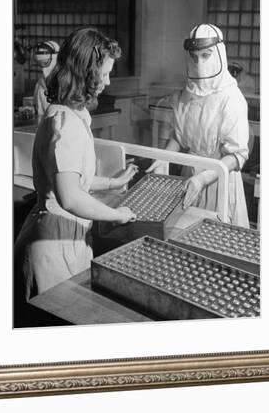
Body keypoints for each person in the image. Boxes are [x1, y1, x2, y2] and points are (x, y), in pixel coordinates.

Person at [15, 28, 138, 300]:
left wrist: (111, 182)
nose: (107, 82)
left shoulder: (70, 113)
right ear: (85, 73)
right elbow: (70, 197)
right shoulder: (65, 124)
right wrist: (117, 214)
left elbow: (70, 177)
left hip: (65, 235)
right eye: (103, 74)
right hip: (51, 242)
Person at [147, 23, 250, 227]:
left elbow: (237, 156)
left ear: (219, 54)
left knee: (216, 241)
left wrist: (203, 179)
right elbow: (179, 137)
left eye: (206, 55)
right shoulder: (187, 93)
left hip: (219, 180)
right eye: (194, 57)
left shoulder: (231, 98)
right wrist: (164, 159)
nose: (199, 63)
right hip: (190, 179)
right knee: (185, 237)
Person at [32, 40, 60, 118]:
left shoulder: (64, 82)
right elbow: (36, 107)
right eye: (40, 63)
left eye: (45, 63)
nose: (43, 68)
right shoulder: (39, 84)